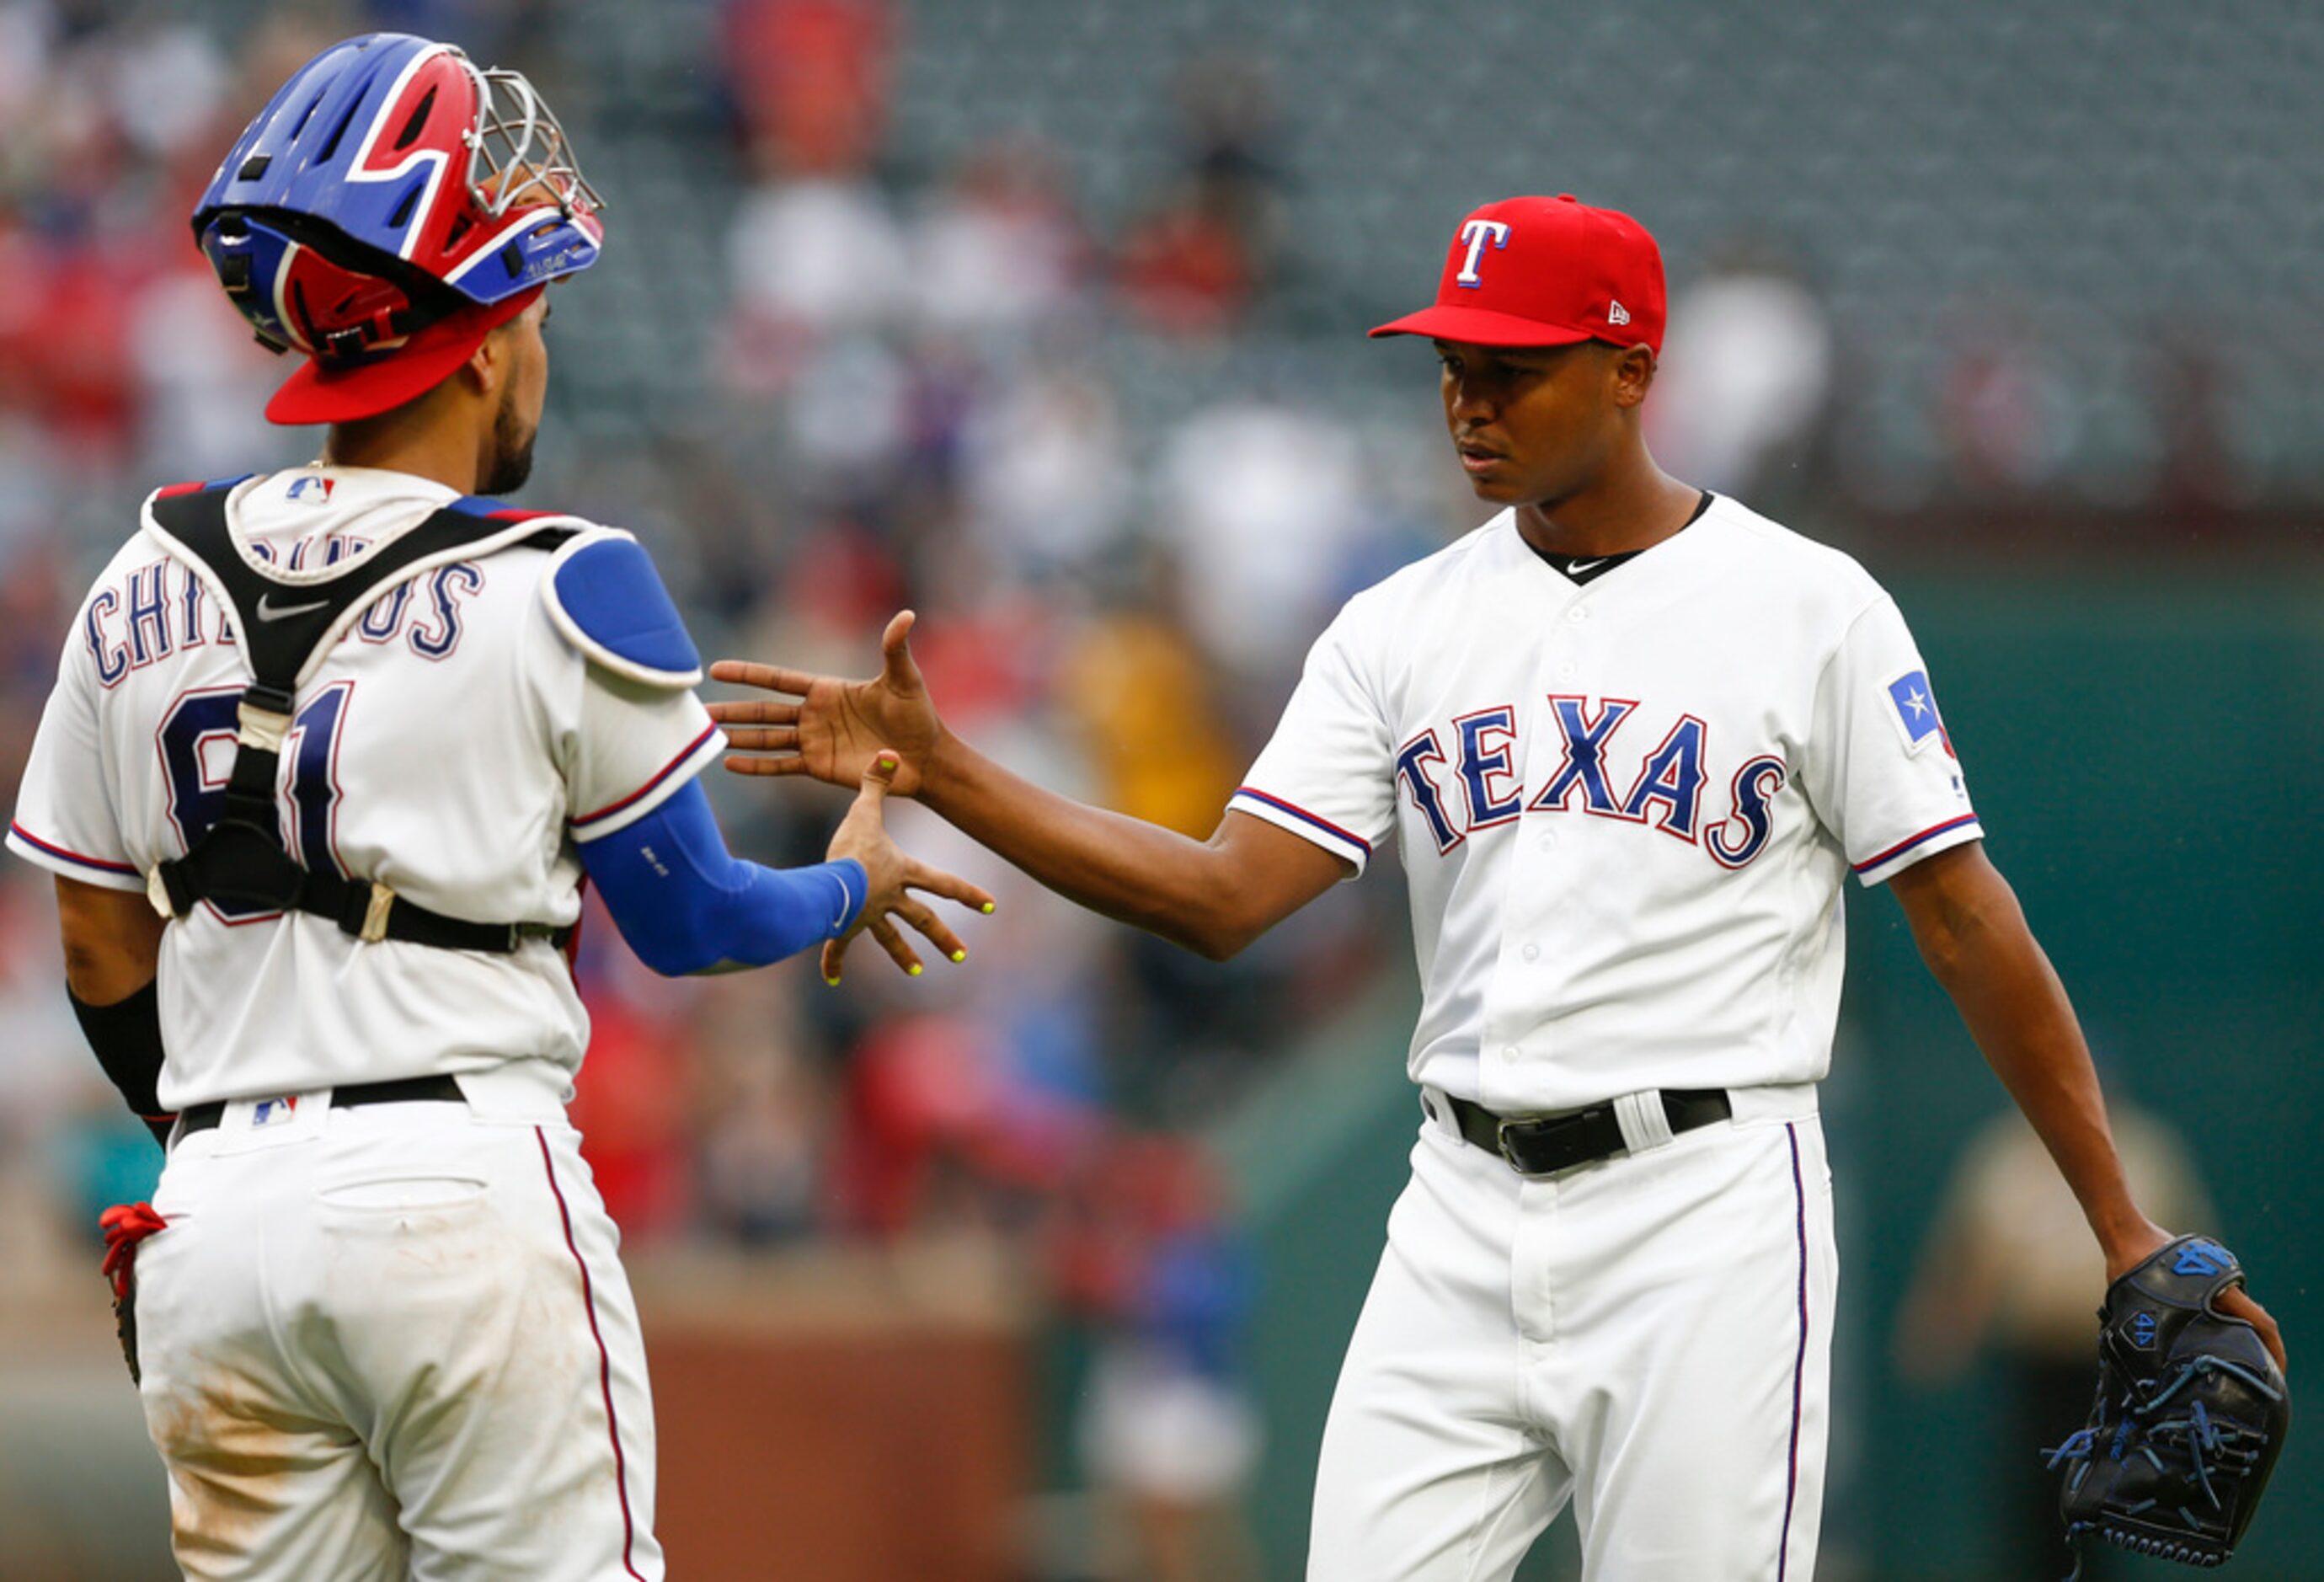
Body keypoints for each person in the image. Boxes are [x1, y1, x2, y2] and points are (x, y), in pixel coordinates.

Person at [708, 192, 2286, 1580]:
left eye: (1511, 365)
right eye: (1453, 362)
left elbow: (1961, 916)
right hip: (1456, 1200)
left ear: (1631, 370)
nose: (1468, 398)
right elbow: (1224, 893)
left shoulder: (1813, 607)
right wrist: (952, 769)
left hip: (1709, 1203)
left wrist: (2120, 1223)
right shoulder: (1395, 626)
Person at [6, 34, 987, 1581]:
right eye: (536, 314)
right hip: (456, 1197)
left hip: (207, 1215)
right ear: (478, 344)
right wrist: (853, 880)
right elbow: (695, 920)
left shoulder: (140, 570)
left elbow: (90, 931)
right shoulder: (568, 575)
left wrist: (218, 1141)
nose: (541, 348)